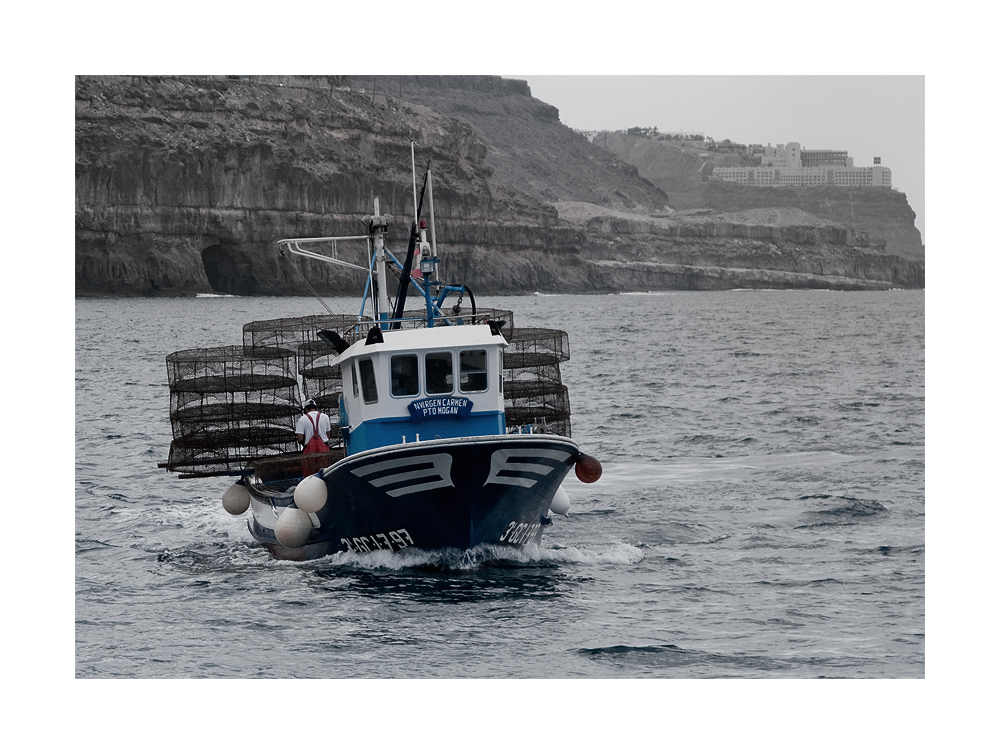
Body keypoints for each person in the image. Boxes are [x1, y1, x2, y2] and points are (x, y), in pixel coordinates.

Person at [296, 399, 332, 475]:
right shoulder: (325, 417)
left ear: (306, 409)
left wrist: (305, 444)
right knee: (324, 472)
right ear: (315, 408)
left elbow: (300, 439)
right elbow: (328, 436)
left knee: (310, 474)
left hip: (309, 451)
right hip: (323, 450)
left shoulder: (302, 419)